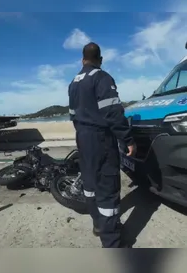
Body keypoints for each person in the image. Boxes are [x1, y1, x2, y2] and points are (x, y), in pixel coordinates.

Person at [68, 42, 136, 248]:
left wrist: (83, 131)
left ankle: (98, 225)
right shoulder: (102, 77)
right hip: (100, 138)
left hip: (82, 137)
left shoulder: (73, 82)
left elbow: (72, 114)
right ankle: (112, 244)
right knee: (107, 187)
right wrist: (127, 139)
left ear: (82, 60)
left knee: (90, 184)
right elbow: (113, 112)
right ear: (101, 59)